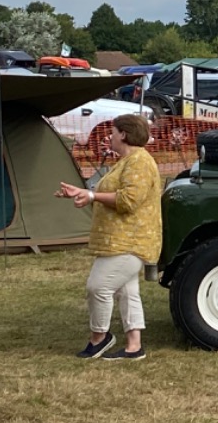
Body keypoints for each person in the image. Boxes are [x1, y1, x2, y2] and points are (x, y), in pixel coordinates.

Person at [56, 114, 160, 361]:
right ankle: (134, 346)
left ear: (123, 134)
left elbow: (129, 200)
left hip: (130, 241)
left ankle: (100, 337)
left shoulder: (139, 162)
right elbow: (113, 193)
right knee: (127, 291)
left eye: (112, 132)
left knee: (98, 287)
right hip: (122, 240)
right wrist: (82, 192)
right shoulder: (129, 161)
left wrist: (92, 196)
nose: (109, 137)